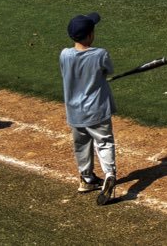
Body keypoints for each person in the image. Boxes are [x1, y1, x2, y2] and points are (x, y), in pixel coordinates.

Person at [60, 12, 119, 205]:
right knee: (104, 142)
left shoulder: (65, 54)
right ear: (90, 35)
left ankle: (86, 179)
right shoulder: (100, 54)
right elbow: (108, 70)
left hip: (74, 111)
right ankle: (109, 174)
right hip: (97, 110)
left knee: (81, 145)